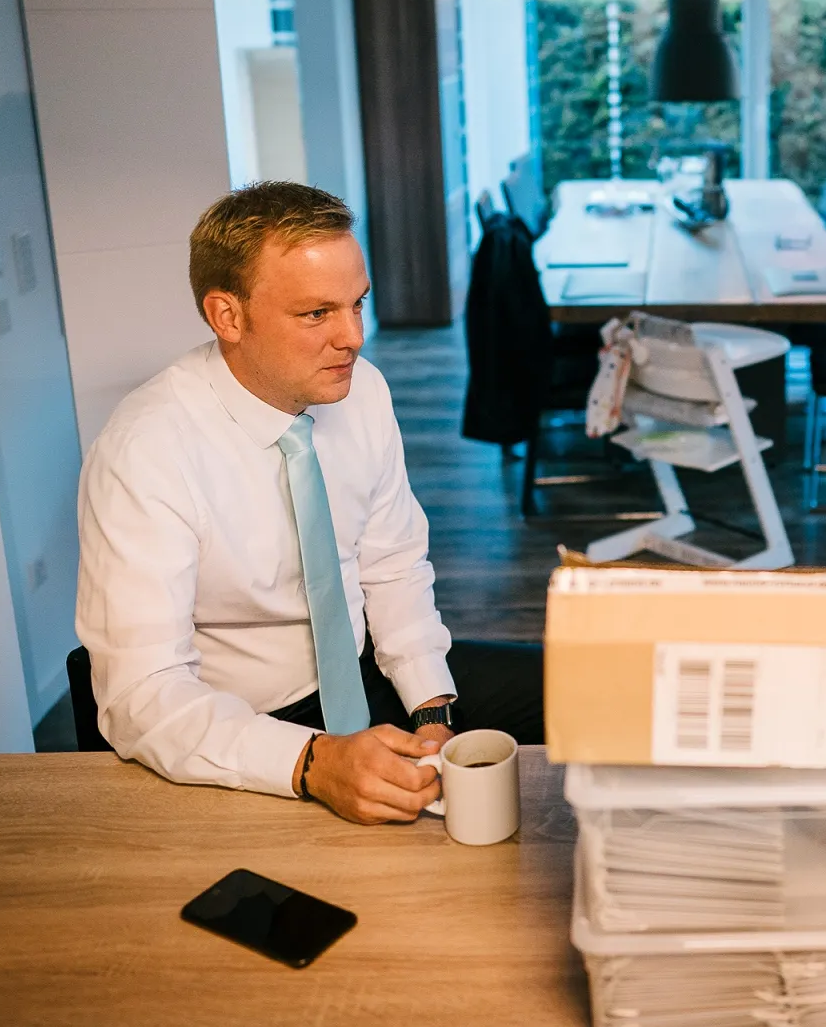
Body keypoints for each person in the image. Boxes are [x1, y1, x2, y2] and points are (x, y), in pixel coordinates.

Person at [75, 182, 543, 824]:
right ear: (227, 316)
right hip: (248, 720)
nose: (354, 337)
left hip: (367, 669)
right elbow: (142, 693)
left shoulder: (363, 391)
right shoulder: (144, 452)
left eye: (358, 303)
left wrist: (431, 713)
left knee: (589, 691)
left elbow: (393, 565)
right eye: (317, 314)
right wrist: (313, 763)